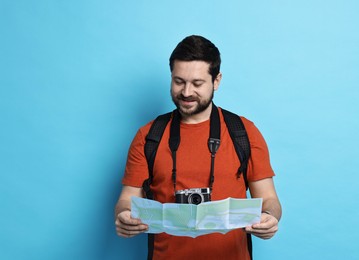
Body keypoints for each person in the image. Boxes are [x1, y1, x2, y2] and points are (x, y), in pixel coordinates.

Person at [115, 35, 282, 259]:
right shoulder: (148, 136)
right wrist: (125, 215)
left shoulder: (243, 132)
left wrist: (269, 217)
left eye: (197, 83)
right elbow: (126, 199)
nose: (186, 92)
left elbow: (269, 199)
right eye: (179, 81)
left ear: (217, 80)